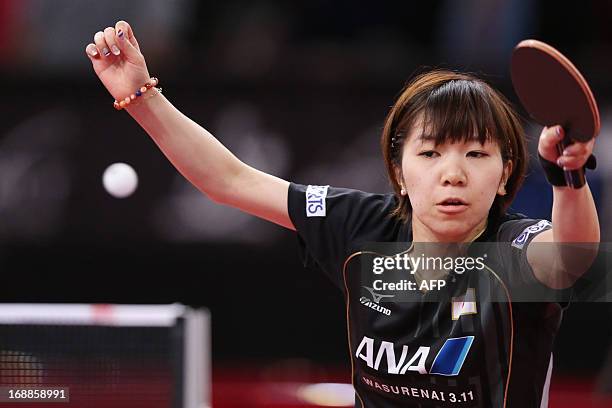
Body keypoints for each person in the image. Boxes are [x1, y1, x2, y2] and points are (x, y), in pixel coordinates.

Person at [86, 21, 600, 408]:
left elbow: (570, 260)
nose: (453, 174)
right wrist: (140, 97)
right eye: (430, 153)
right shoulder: (360, 228)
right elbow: (229, 180)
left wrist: (569, 177)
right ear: (398, 170)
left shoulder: (514, 250)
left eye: (476, 154)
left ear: (506, 174)